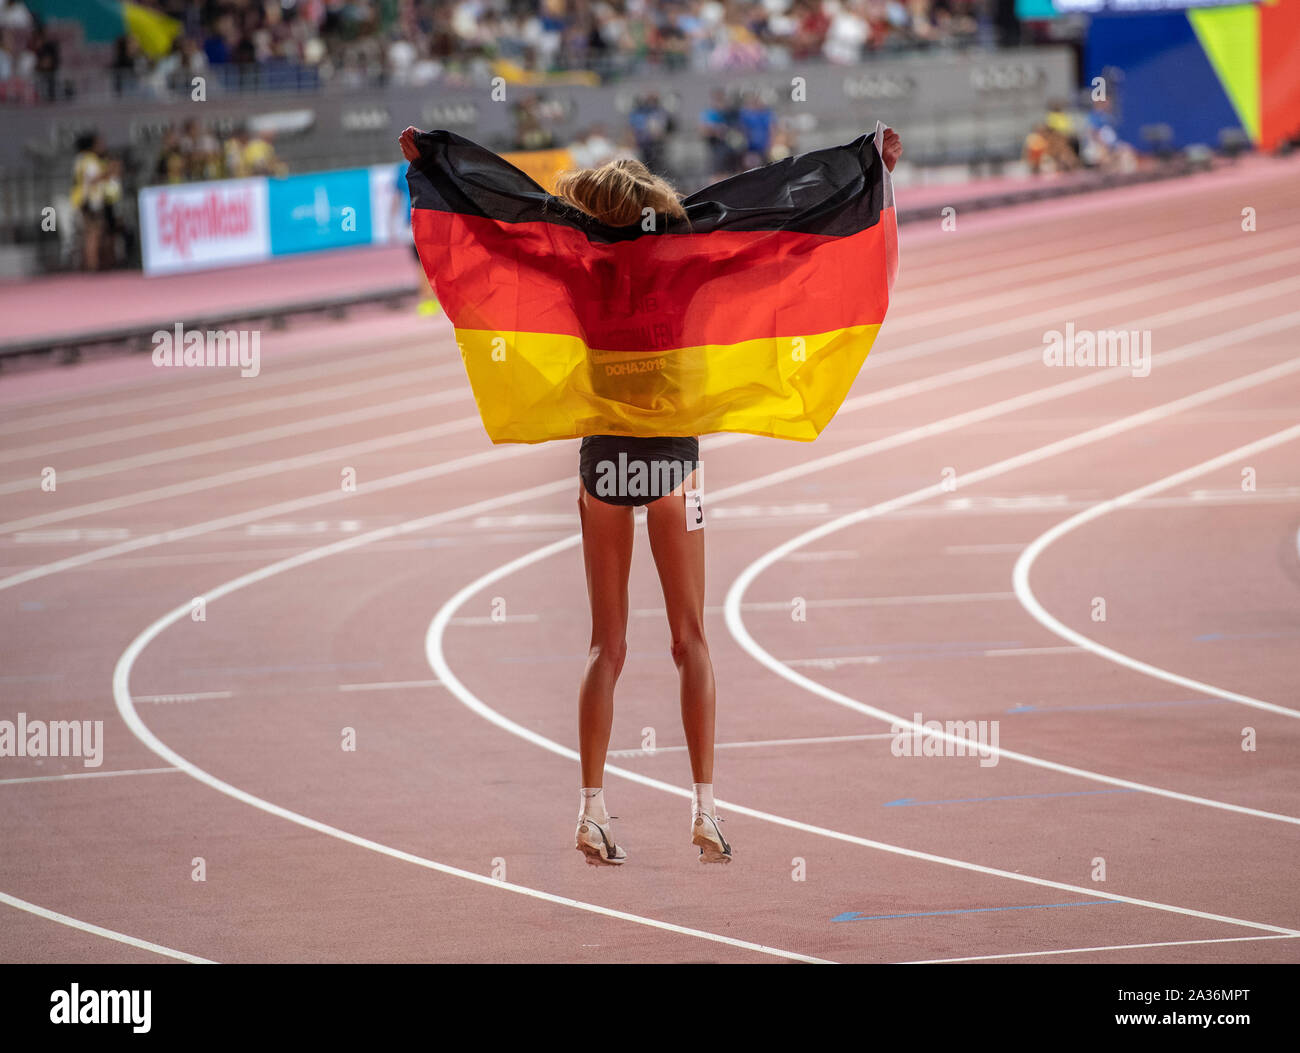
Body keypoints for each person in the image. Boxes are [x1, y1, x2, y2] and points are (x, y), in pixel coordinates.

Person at [397, 124, 903, 868]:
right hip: (672, 463)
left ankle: (591, 810)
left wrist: (435, 159)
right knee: (689, 639)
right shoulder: (686, 265)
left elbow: (504, 231)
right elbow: (775, 240)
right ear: (656, 210)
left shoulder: (576, 269)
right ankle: (705, 809)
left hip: (604, 461)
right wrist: (867, 169)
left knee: (608, 644)